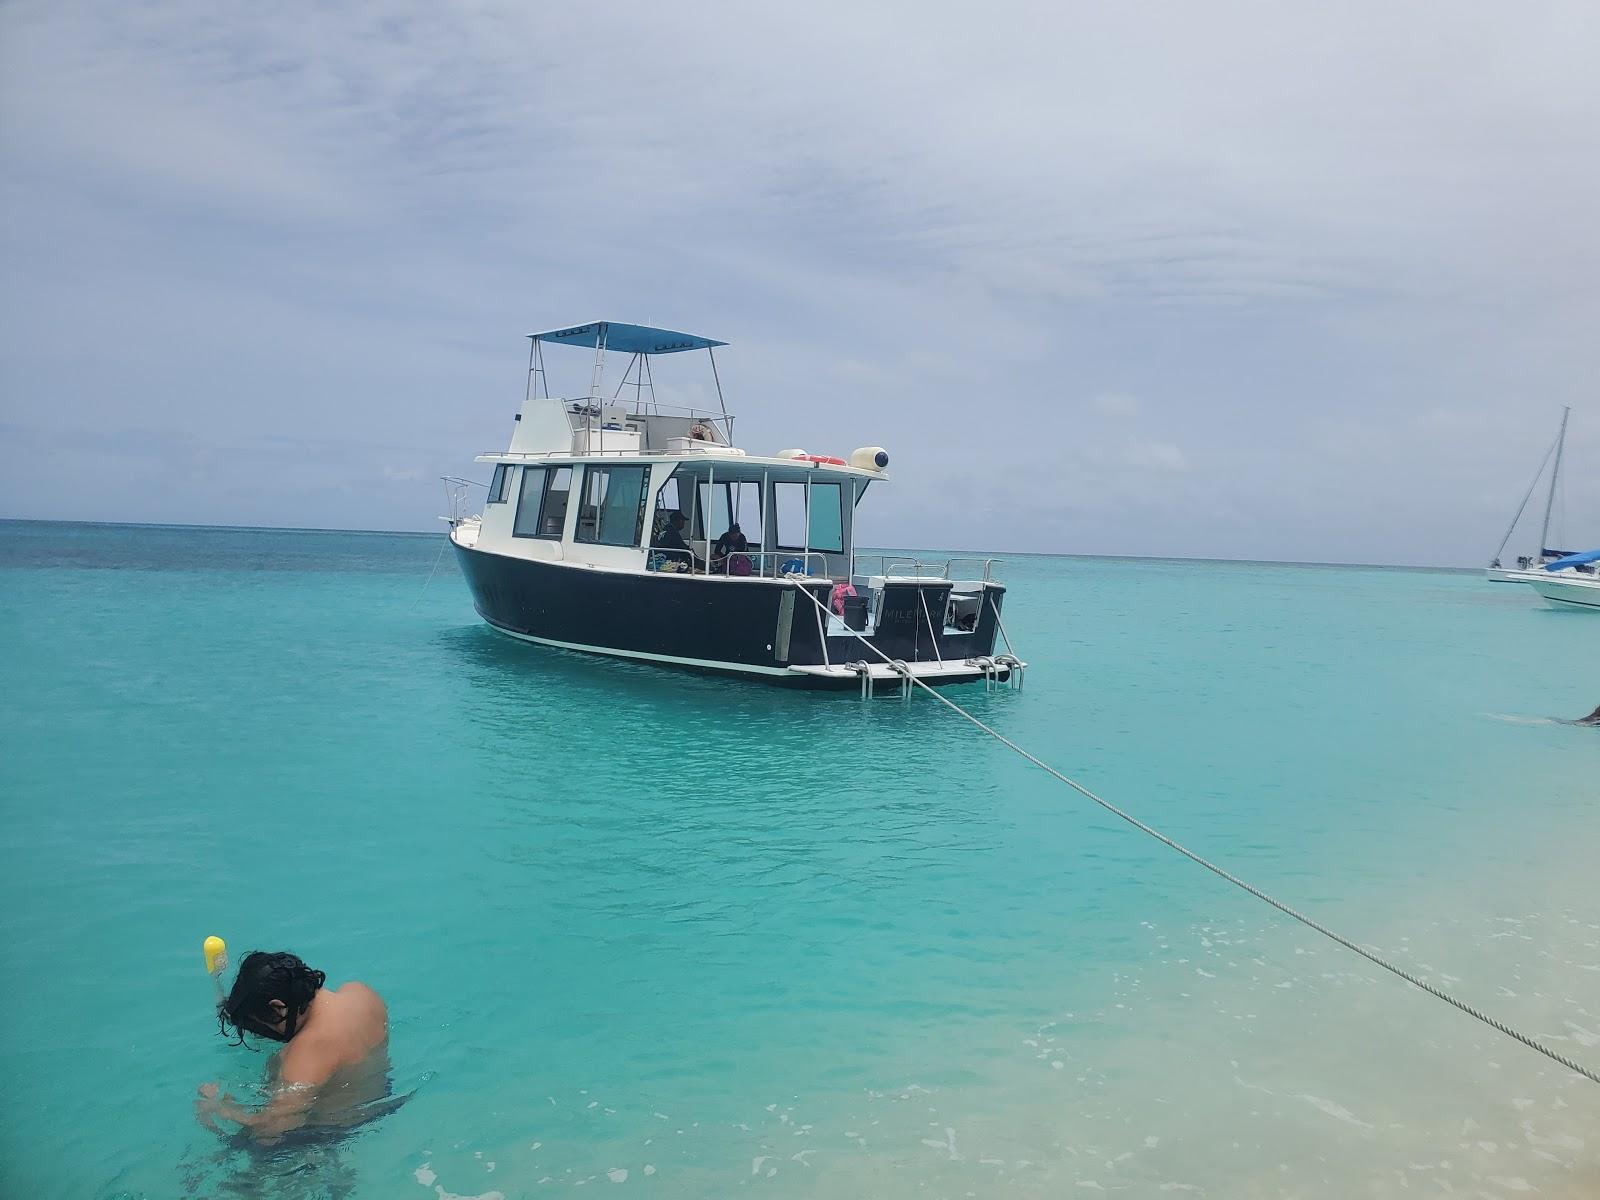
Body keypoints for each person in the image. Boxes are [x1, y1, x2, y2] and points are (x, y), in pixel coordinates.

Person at [196, 951, 391, 1144]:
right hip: (380, 1105)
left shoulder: (306, 1051)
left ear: (278, 1007)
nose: (260, 1033)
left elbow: (273, 1129)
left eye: (261, 1026)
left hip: (327, 1134)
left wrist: (221, 1109)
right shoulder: (359, 992)